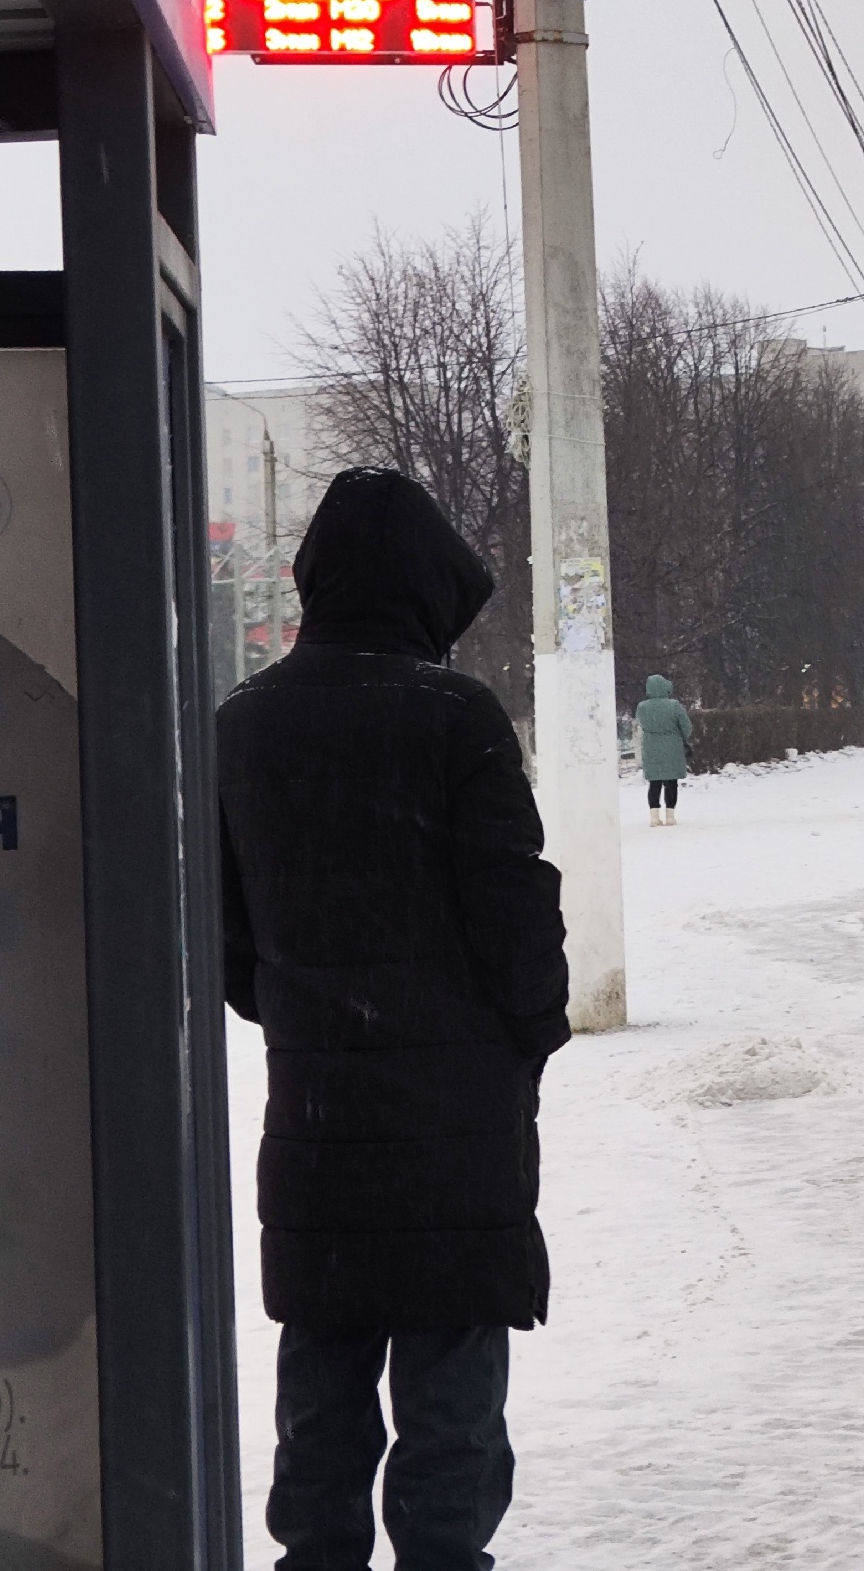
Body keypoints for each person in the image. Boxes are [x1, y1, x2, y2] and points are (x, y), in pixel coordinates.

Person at [219, 469, 570, 1571]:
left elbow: (231, 937)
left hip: (317, 1114)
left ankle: (314, 1556)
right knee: (450, 1372)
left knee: (320, 1363)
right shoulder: (452, 714)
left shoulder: (244, 725)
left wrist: (312, 1017)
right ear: (424, 586)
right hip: (457, 1119)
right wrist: (526, 1035)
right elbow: (514, 900)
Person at [636, 673, 692, 826]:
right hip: (672, 747)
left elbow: (639, 724)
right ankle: (670, 815)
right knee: (671, 782)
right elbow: (687, 727)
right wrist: (681, 737)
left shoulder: (642, 707)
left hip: (651, 749)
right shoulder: (674, 706)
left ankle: (654, 816)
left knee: (654, 783)